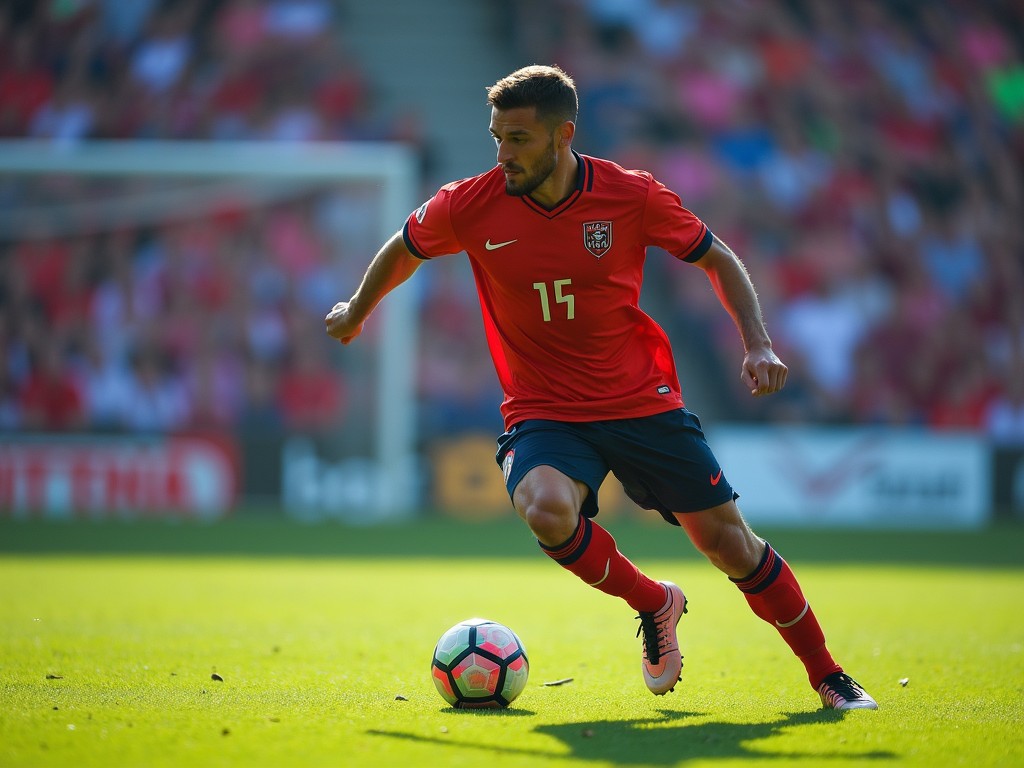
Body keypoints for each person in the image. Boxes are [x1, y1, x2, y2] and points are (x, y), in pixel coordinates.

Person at [325, 65, 877, 711]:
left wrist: (757, 342)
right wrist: (358, 309)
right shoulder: (470, 203)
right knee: (545, 509)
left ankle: (827, 674)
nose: (503, 154)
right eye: (498, 137)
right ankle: (654, 602)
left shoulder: (630, 195)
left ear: (564, 135)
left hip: (640, 401)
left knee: (729, 545)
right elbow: (405, 247)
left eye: (520, 139)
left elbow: (717, 257)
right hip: (544, 409)